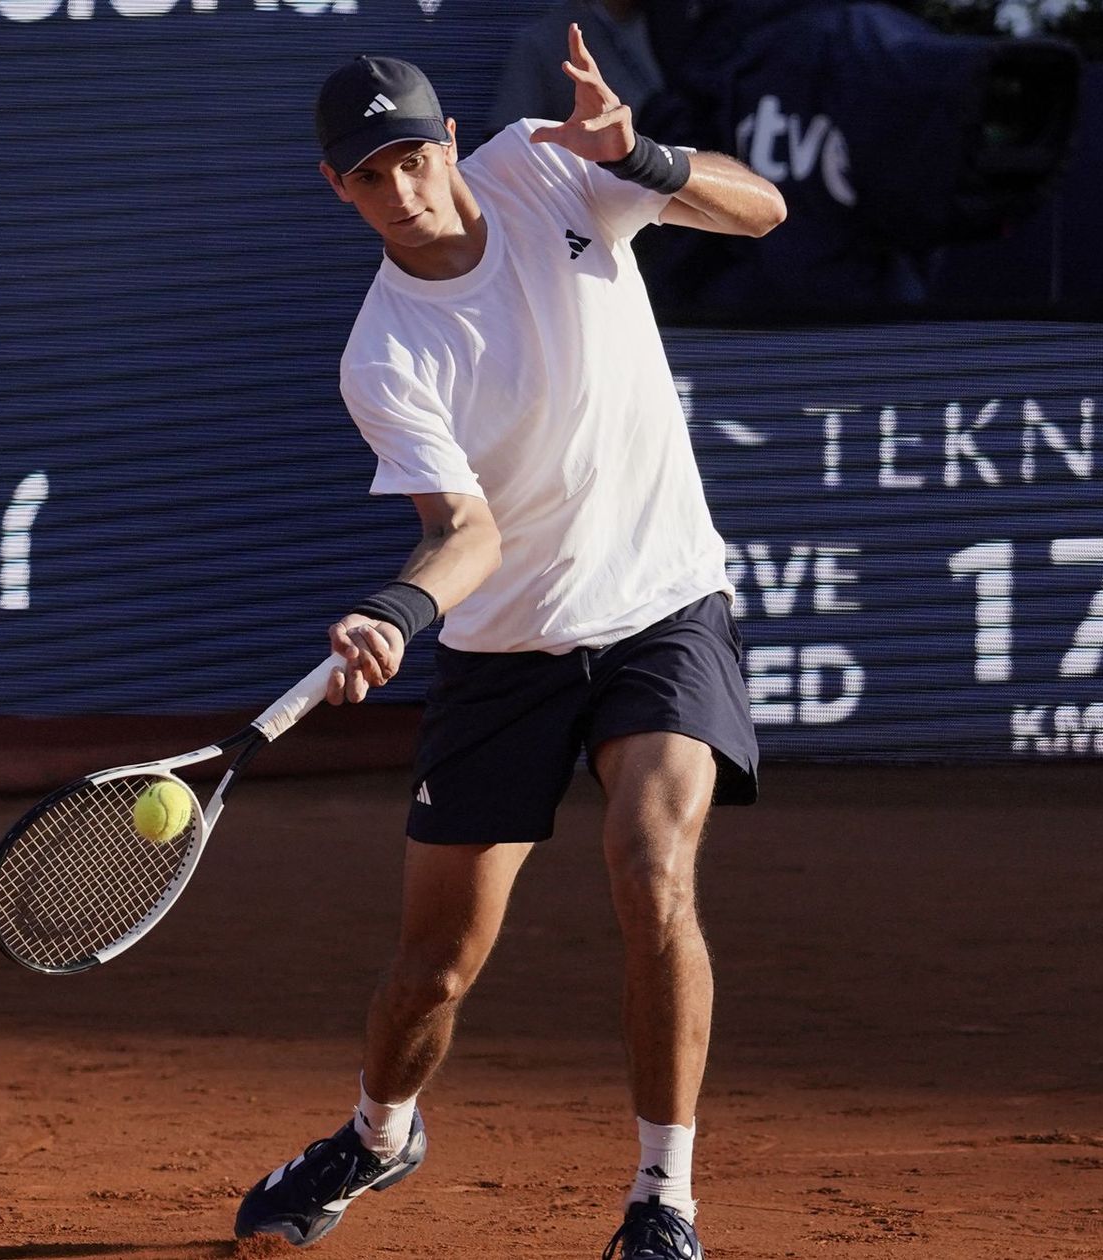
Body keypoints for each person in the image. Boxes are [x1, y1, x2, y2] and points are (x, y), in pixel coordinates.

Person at [231, 30, 784, 1260]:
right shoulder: (384, 354)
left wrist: (636, 156)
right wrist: (397, 610)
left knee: (652, 869)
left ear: (449, 141)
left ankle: (664, 1200)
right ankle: (378, 1135)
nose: (401, 191)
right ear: (338, 188)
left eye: (413, 158)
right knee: (433, 970)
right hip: (503, 650)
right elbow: (464, 532)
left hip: (660, 604)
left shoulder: (546, 164)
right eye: (369, 176)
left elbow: (761, 211)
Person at [488, 0, 664, 136]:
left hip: (670, 162)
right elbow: (506, 140)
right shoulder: (546, 40)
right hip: (591, 168)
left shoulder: (671, 26)